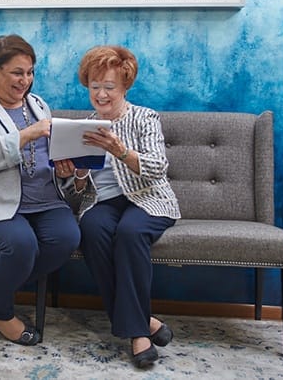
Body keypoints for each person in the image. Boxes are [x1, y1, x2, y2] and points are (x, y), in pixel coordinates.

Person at [0, 34, 81, 346]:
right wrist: (26, 135)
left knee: (68, 238)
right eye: (18, 72)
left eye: (31, 72)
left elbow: (47, 157)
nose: (26, 80)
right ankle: (1, 312)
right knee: (21, 245)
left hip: (45, 199)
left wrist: (65, 170)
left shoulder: (38, 105)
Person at [57, 45, 180, 368]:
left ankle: (138, 335)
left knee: (129, 232)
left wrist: (121, 151)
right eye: (94, 87)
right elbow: (75, 194)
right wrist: (77, 174)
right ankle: (147, 321)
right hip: (104, 202)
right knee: (92, 229)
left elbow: (158, 168)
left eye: (109, 87)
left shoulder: (145, 117)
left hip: (149, 199)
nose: (101, 94)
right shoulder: (82, 127)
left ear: (125, 86)